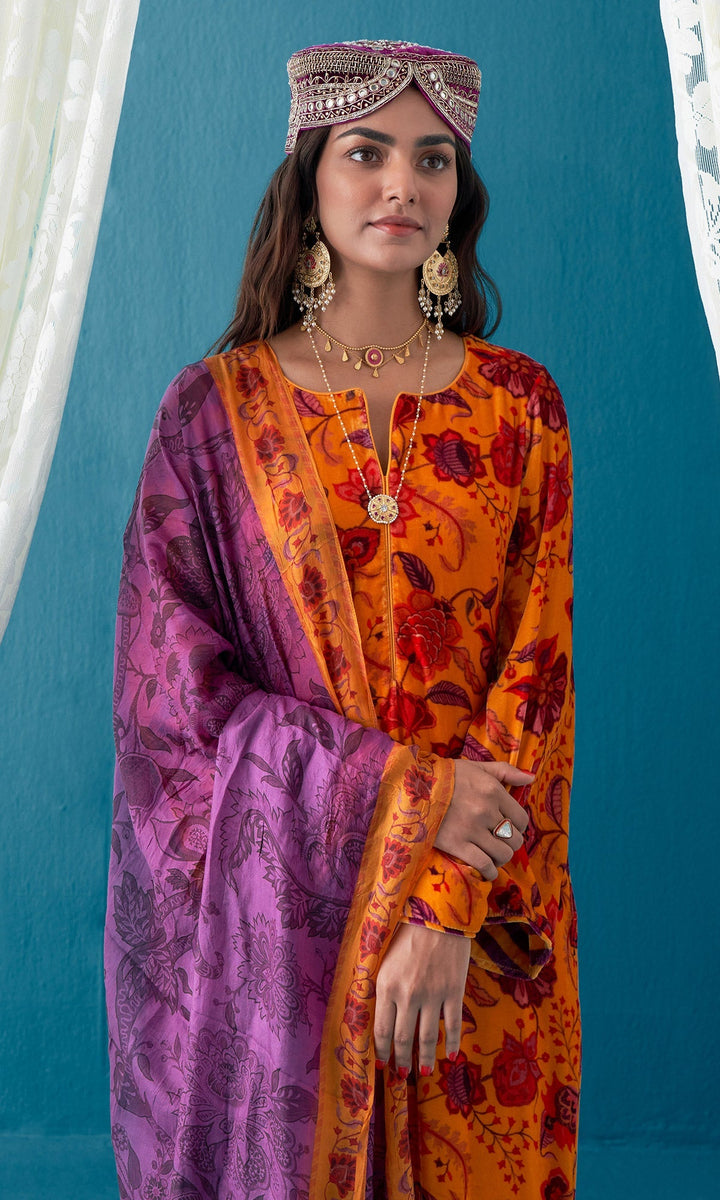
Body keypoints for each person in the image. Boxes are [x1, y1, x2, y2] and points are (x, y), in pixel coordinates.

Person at [106, 39, 579, 1200]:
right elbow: (174, 716)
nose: (401, 185)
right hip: (283, 953)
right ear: (309, 176)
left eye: (432, 159)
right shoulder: (212, 414)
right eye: (366, 153)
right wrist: (405, 792)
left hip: (479, 927)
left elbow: (537, 681)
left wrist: (444, 910)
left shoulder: (520, 406)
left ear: (458, 193)